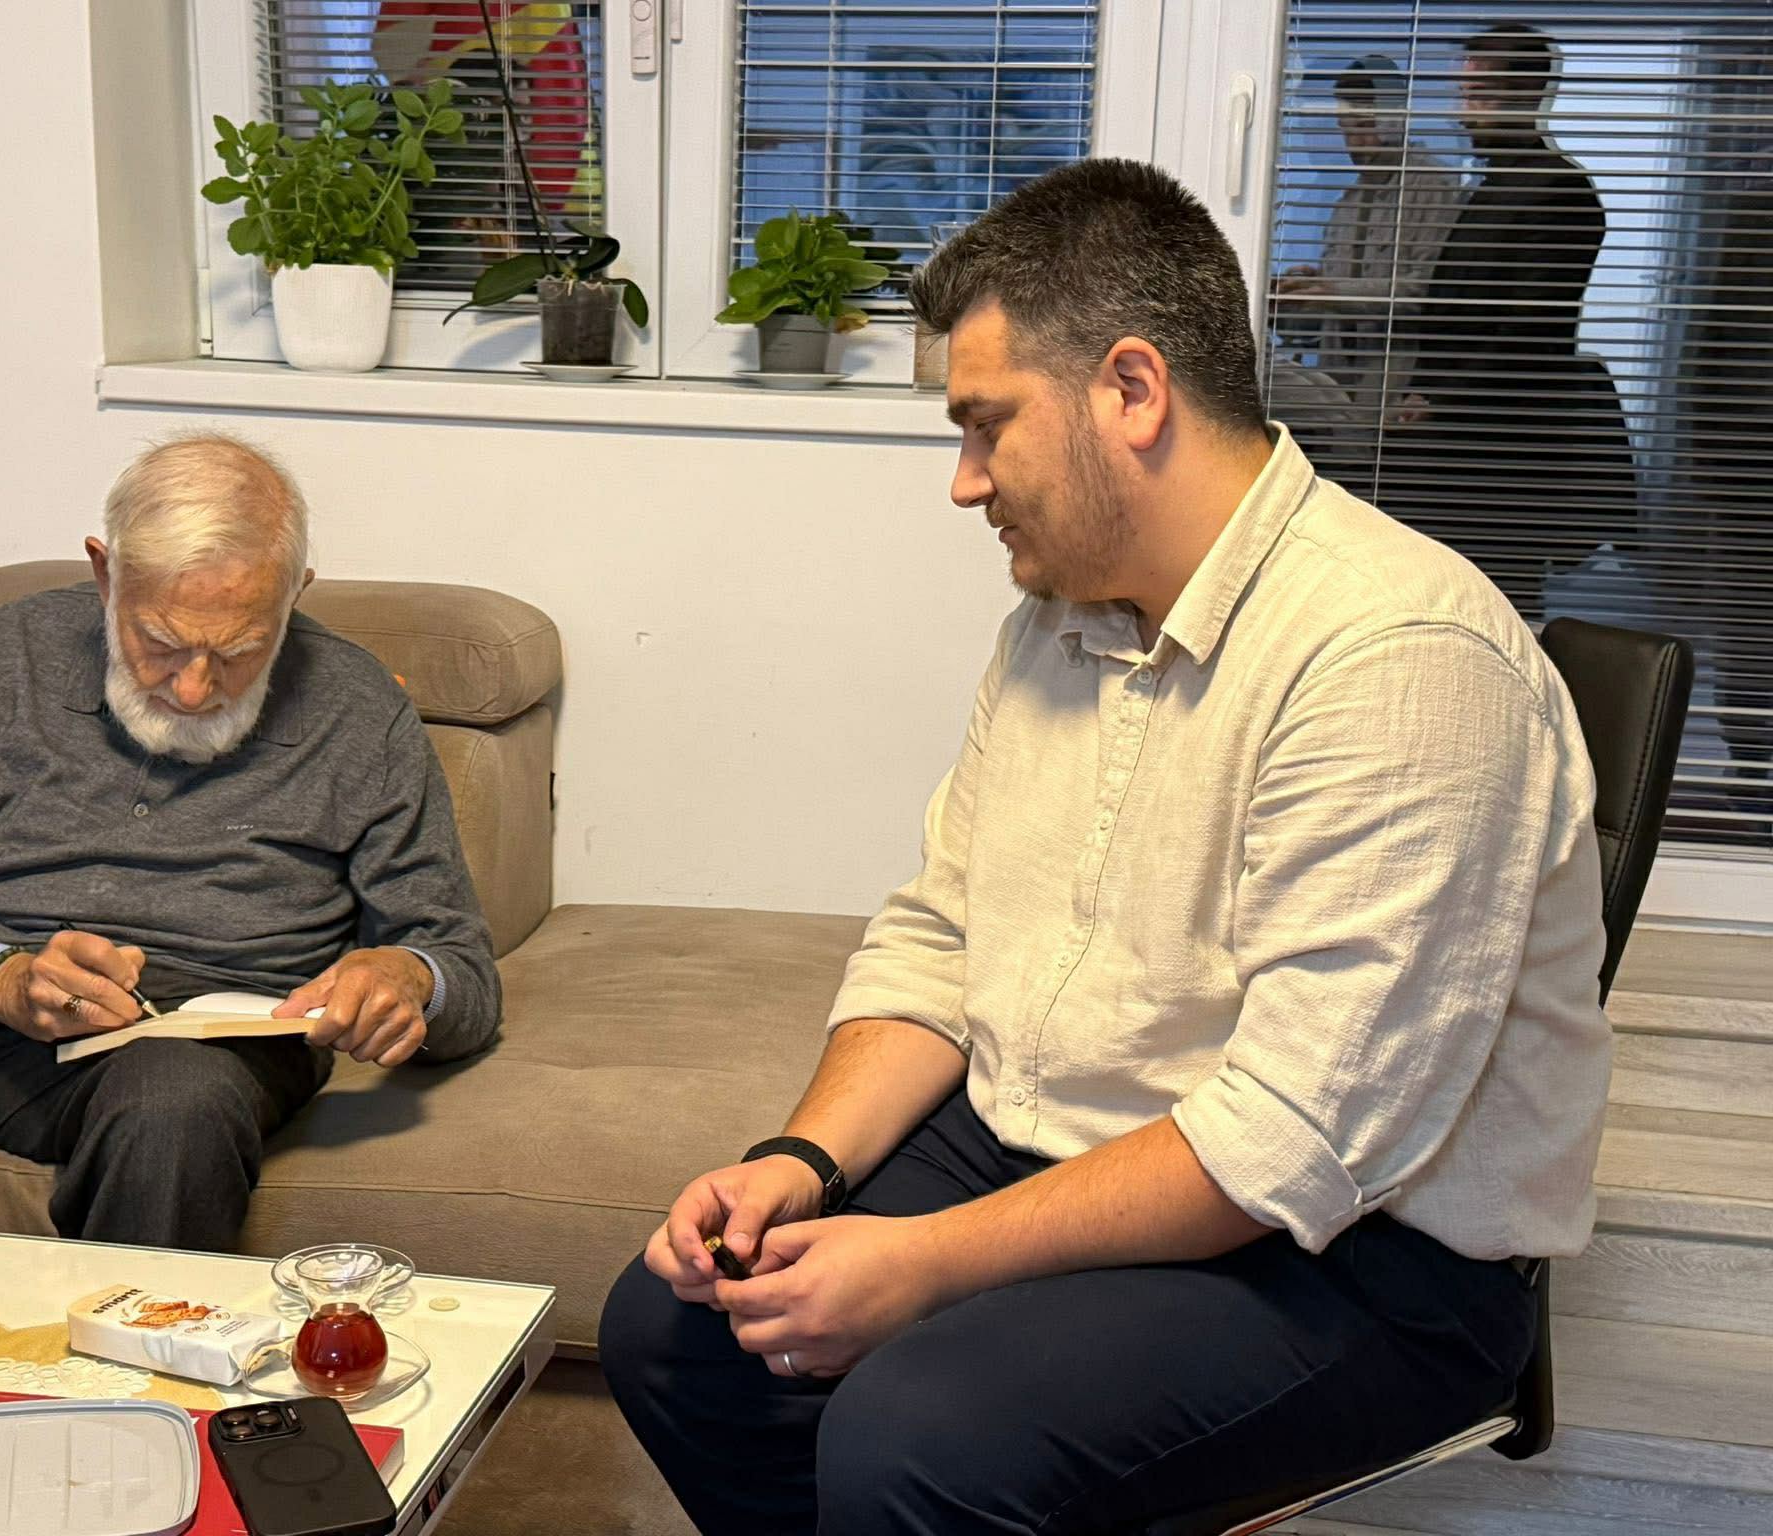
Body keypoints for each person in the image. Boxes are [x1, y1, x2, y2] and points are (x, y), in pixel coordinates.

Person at [600, 159, 1611, 1536]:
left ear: (1132, 391)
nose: (963, 483)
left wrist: (923, 1264)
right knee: (675, 1329)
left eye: (985, 425)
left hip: (1361, 1250)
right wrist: (801, 1161)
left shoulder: (1399, 658)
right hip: (1064, 1135)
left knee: (918, 1435)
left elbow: (1290, 1139)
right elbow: (941, 936)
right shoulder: (1058, 620)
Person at [0, 436, 500, 1250]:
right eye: (159, 643)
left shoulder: (360, 710)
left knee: (174, 1110)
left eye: (240, 651)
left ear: (295, 593)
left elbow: (460, 967)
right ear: (105, 572)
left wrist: (411, 978)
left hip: (184, 1044)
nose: (194, 689)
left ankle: (135, 1340)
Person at [1384, 23, 1636, 616]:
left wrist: (1437, 398)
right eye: (1463, 93)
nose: (1461, 111)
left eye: (1478, 94)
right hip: (1461, 444)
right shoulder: (1498, 185)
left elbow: (1527, 332)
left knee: (1491, 611)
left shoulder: (1557, 191)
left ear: (1526, 93)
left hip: (1497, 453)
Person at [1272, 52, 1464, 474]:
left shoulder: (1432, 186)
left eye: (1362, 124)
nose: (1353, 140)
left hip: (1393, 391)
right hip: (1337, 396)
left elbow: (1428, 293)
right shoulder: (1349, 201)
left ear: (1395, 117)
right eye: (1346, 127)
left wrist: (1333, 291)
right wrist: (1297, 295)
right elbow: (1326, 313)